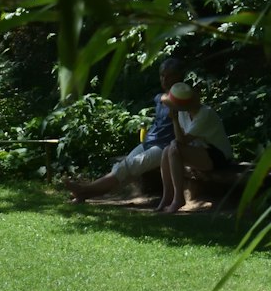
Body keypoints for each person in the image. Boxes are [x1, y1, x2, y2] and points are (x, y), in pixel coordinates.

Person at [66, 57, 185, 202]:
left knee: (126, 168)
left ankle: (83, 190)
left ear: (179, 76)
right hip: (149, 143)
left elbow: (179, 107)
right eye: (162, 75)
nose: (164, 79)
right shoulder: (159, 97)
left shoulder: (184, 97)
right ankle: (85, 194)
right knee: (124, 170)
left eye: (169, 75)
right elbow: (162, 106)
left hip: (164, 148)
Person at [154, 82, 233, 214]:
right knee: (168, 149)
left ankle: (178, 198)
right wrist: (176, 119)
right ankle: (167, 196)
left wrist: (173, 120)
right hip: (200, 153)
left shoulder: (205, 114)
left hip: (217, 156)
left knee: (174, 146)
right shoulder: (183, 113)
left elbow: (182, 141)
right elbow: (181, 140)